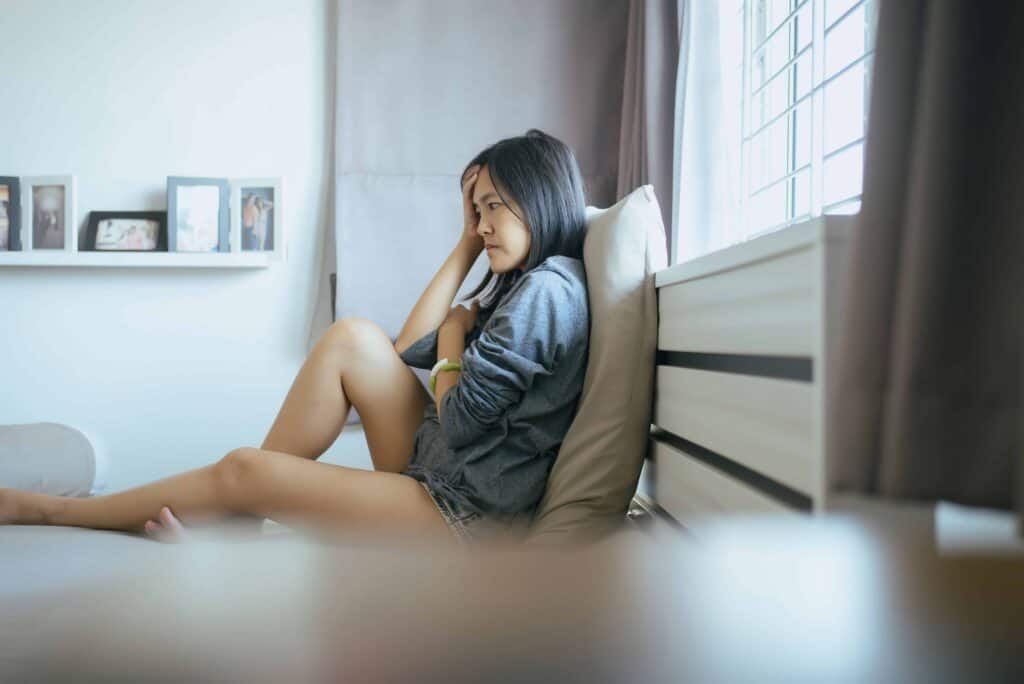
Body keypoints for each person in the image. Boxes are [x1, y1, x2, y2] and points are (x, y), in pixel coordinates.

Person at [0, 129, 591, 548]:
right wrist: (466, 245)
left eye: (493, 208)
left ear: (538, 200)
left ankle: (56, 511)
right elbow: (409, 345)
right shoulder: (531, 282)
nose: (482, 223)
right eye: (477, 209)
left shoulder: (546, 293)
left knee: (244, 469)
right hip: (448, 470)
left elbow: (459, 418)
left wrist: (458, 331)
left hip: (464, 520)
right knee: (353, 338)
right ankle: (241, 514)